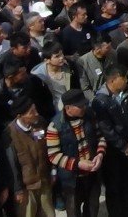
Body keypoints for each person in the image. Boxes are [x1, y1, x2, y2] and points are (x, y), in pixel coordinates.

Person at [46, 89, 104, 217]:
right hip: (72, 180)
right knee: (73, 211)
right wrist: (78, 163)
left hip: (92, 174)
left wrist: (100, 154)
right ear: (68, 108)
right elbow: (53, 155)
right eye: (79, 106)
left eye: (84, 104)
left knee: (93, 208)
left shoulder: (90, 115)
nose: (84, 107)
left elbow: (100, 137)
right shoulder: (55, 126)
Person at [91, 65, 128, 217]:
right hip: (113, 152)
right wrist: (123, 146)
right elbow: (106, 129)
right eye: (123, 78)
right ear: (113, 80)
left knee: (127, 184)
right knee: (114, 187)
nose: (126, 81)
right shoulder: (100, 101)